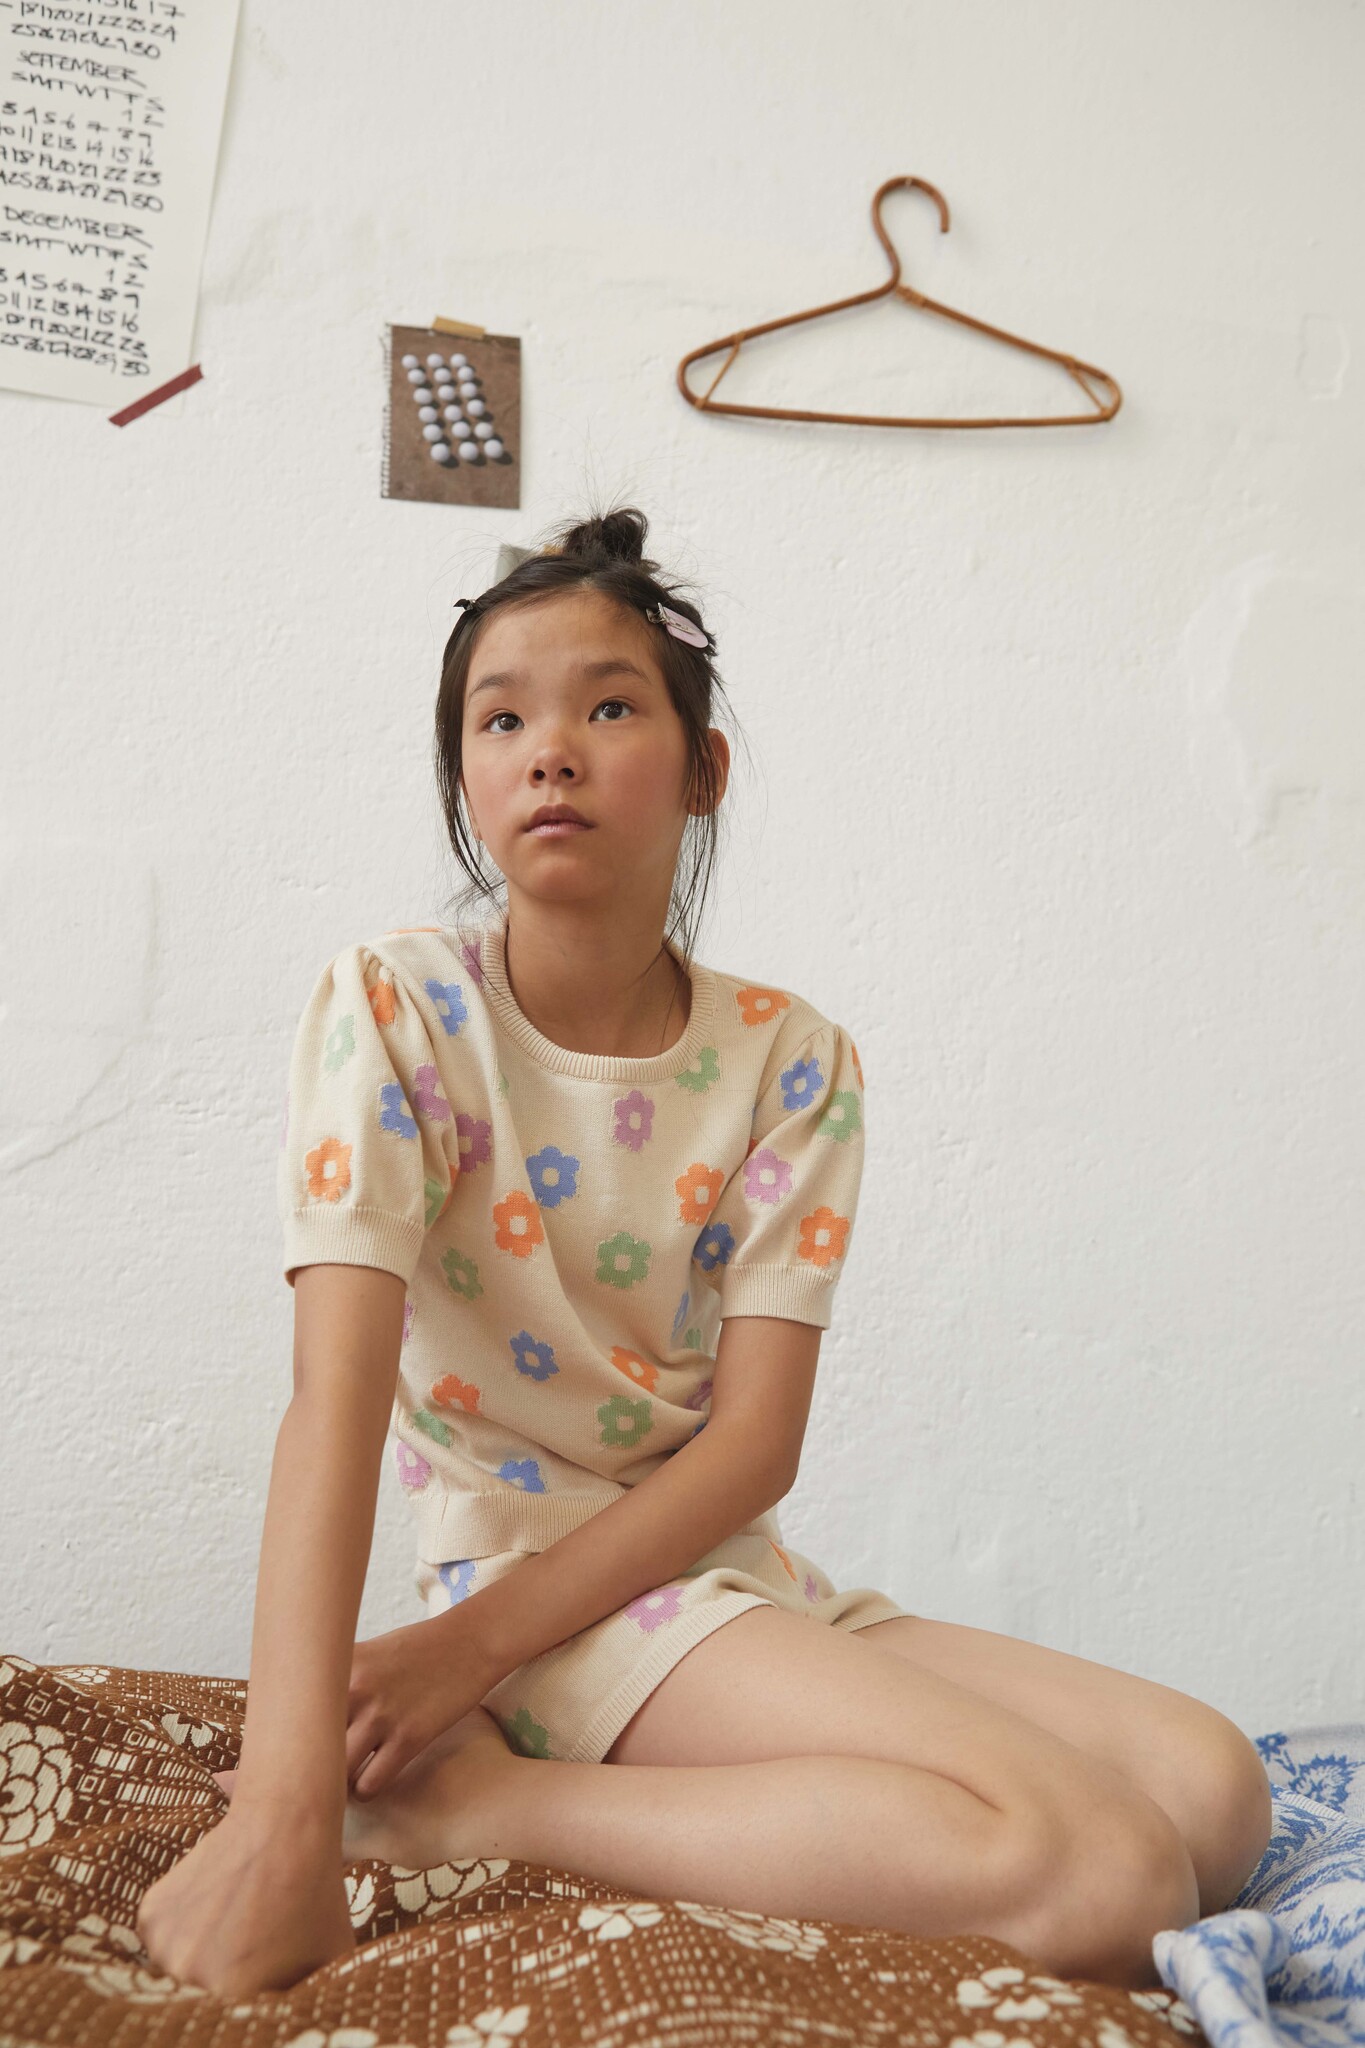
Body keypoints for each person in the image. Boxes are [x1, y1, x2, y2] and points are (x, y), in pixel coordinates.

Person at [136, 503, 1272, 1999]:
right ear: (466, 778)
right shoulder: (398, 1012)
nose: (551, 749)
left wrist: (469, 1660)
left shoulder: (790, 1057)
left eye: (609, 708)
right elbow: (330, 1403)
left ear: (703, 771)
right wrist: (289, 1804)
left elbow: (752, 1447)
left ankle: (517, 1783)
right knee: (1110, 1871)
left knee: (1213, 1799)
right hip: (527, 1596)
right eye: (501, 719)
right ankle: (478, 1808)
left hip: (720, 1574)